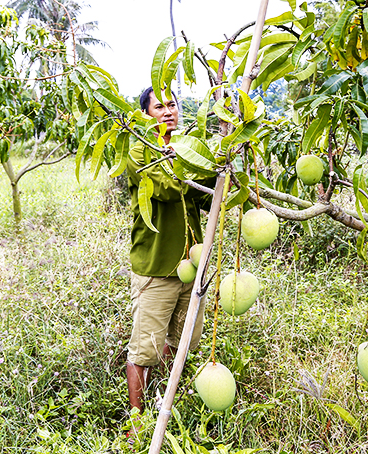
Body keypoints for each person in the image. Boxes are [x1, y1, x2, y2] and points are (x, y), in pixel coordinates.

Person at [125, 86, 211, 413]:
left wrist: (225, 173)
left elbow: (203, 197)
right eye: (159, 106)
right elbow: (168, 188)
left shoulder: (183, 149)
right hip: (158, 268)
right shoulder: (138, 151)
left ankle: (165, 401)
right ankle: (137, 423)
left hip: (191, 265)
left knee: (180, 342)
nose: (168, 111)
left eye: (172, 104)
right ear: (146, 114)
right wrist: (199, 160)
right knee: (145, 351)